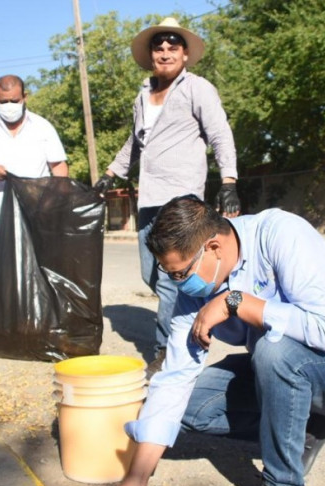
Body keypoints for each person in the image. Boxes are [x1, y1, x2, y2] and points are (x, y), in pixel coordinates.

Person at [102, 196, 325, 486]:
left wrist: (234, 301)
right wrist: (137, 478)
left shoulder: (281, 234)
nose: (179, 284)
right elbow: (176, 375)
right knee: (189, 406)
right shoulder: (193, 289)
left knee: (273, 348)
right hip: (285, 371)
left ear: (213, 247)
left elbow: (322, 330)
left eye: (181, 273)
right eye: (170, 274)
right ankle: (309, 424)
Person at [93, 17, 241, 362]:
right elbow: (135, 142)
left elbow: (220, 134)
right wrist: (111, 173)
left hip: (181, 197)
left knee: (170, 279)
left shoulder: (197, 88)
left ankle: (166, 352)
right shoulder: (143, 95)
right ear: (151, 55)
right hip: (149, 198)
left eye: (173, 46)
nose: (165, 52)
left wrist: (229, 181)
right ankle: (189, 319)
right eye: (158, 47)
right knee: (151, 274)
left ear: (185, 54)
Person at [0, 74, 69, 351]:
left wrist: (55, 201)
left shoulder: (43, 128)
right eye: (3, 101)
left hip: (33, 214)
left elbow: (59, 167)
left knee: (36, 272)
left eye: (14, 101)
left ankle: (38, 329)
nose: (9, 106)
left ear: (25, 97)